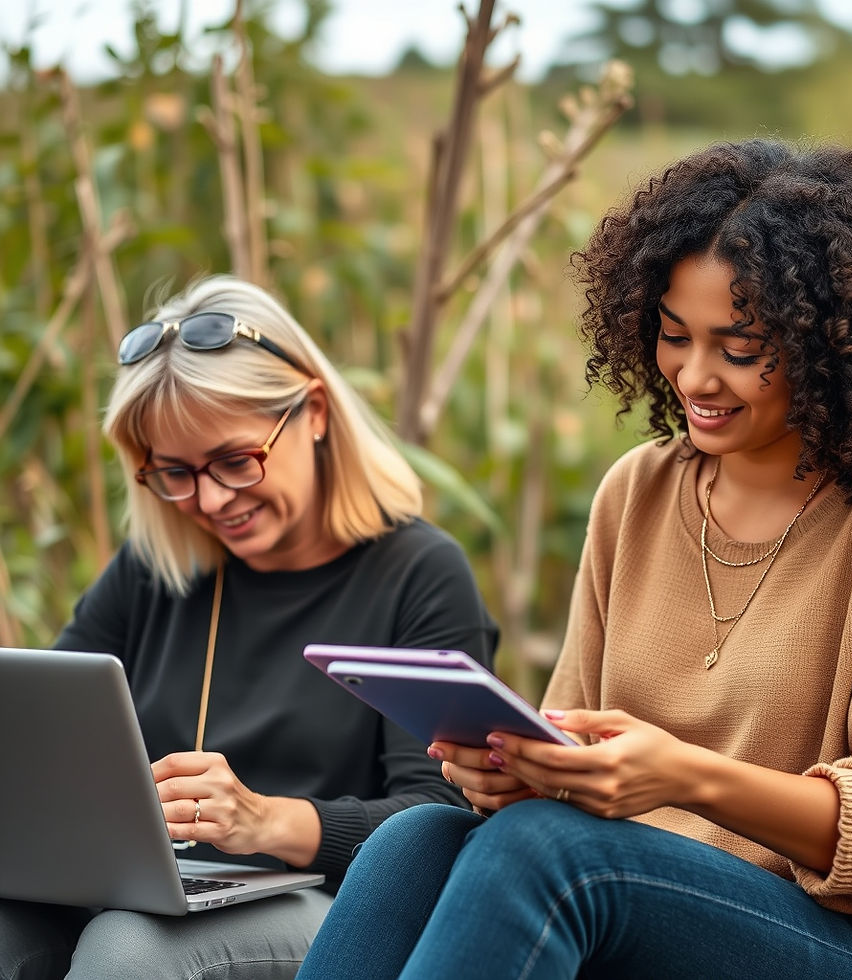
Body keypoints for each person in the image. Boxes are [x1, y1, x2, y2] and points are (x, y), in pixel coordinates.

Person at [295, 139, 852, 980]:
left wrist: (680, 777)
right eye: (673, 335)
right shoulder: (639, 491)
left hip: (830, 940)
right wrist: (517, 770)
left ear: (832, 343)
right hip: (623, 889)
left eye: (740, 349)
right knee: (417, 838)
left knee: (551, 851)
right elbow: (568, 728)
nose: (696, 376)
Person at [0, 274, 498, 980]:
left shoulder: (417, 573)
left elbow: (441, 813)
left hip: (336, 907)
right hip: (155, 893)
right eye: (173, 473)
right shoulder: (154, 569)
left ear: (315, 413)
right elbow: (39, 738)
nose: (207, 500)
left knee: (129, 950)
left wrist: (264, 820)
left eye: (235, 461)